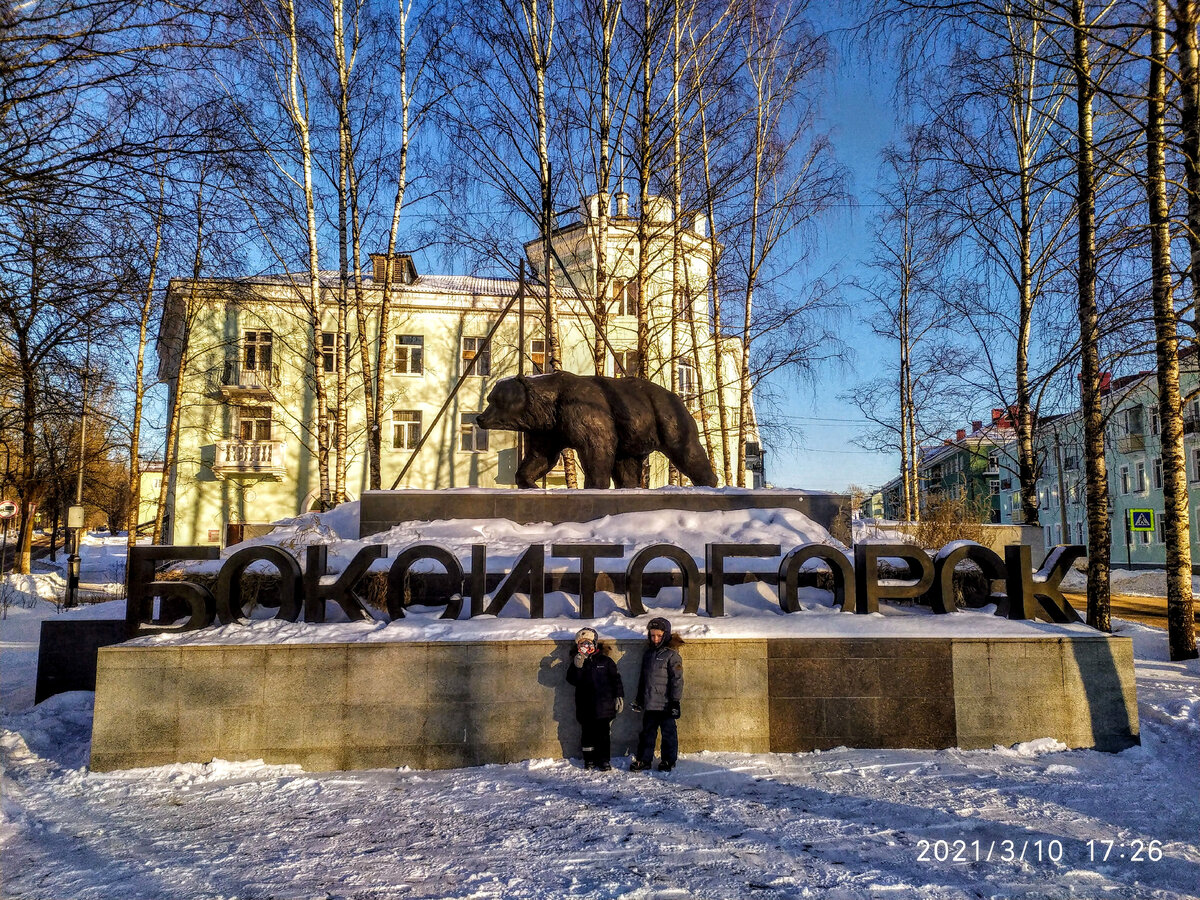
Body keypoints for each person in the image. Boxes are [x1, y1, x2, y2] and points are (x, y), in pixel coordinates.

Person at [565, 627, 624, 771]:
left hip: (604, 707)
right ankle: (589, 759)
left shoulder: (606, 661)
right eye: (582, 643)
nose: (586, 646)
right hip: (585, 707)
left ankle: (604, 760)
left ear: (595, 643)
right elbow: (572, 680)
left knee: (604, 735)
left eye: (588, 642)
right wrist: (577, 667)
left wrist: (618, 696)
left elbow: (616, 679)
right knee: (587, 734)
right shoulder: (577, 661)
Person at [630, 616, 683, 773]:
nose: (655, 639)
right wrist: (640, 699)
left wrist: (675, 701)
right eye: (652, 635)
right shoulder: (648, 654)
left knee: (668, 734)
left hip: (666, 704)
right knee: (647, 733)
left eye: (659, 635)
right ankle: (644, 760)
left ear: (665, 635)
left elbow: (677, 680)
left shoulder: (672, 655)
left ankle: (668, 760)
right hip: (650, 703)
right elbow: (644, 679)